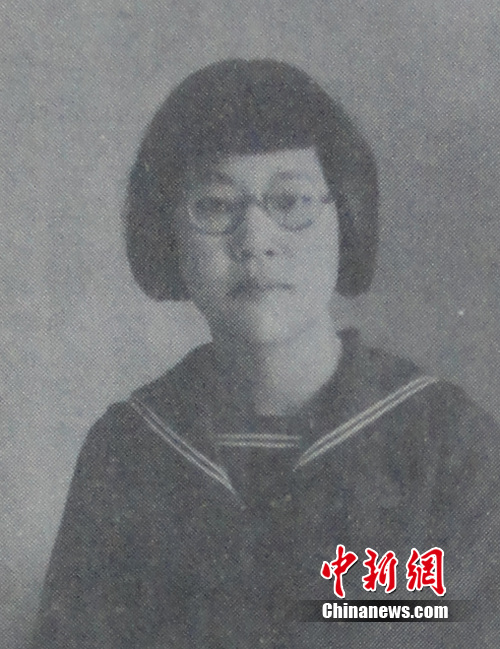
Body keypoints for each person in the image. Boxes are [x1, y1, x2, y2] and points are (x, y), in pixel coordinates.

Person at [31, 59, 500, 649]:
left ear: (346, 217)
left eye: (292, 201)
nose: (255, 242)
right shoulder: (126, 450)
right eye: (215, 207)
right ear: (168, 233)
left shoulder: (445, 441)